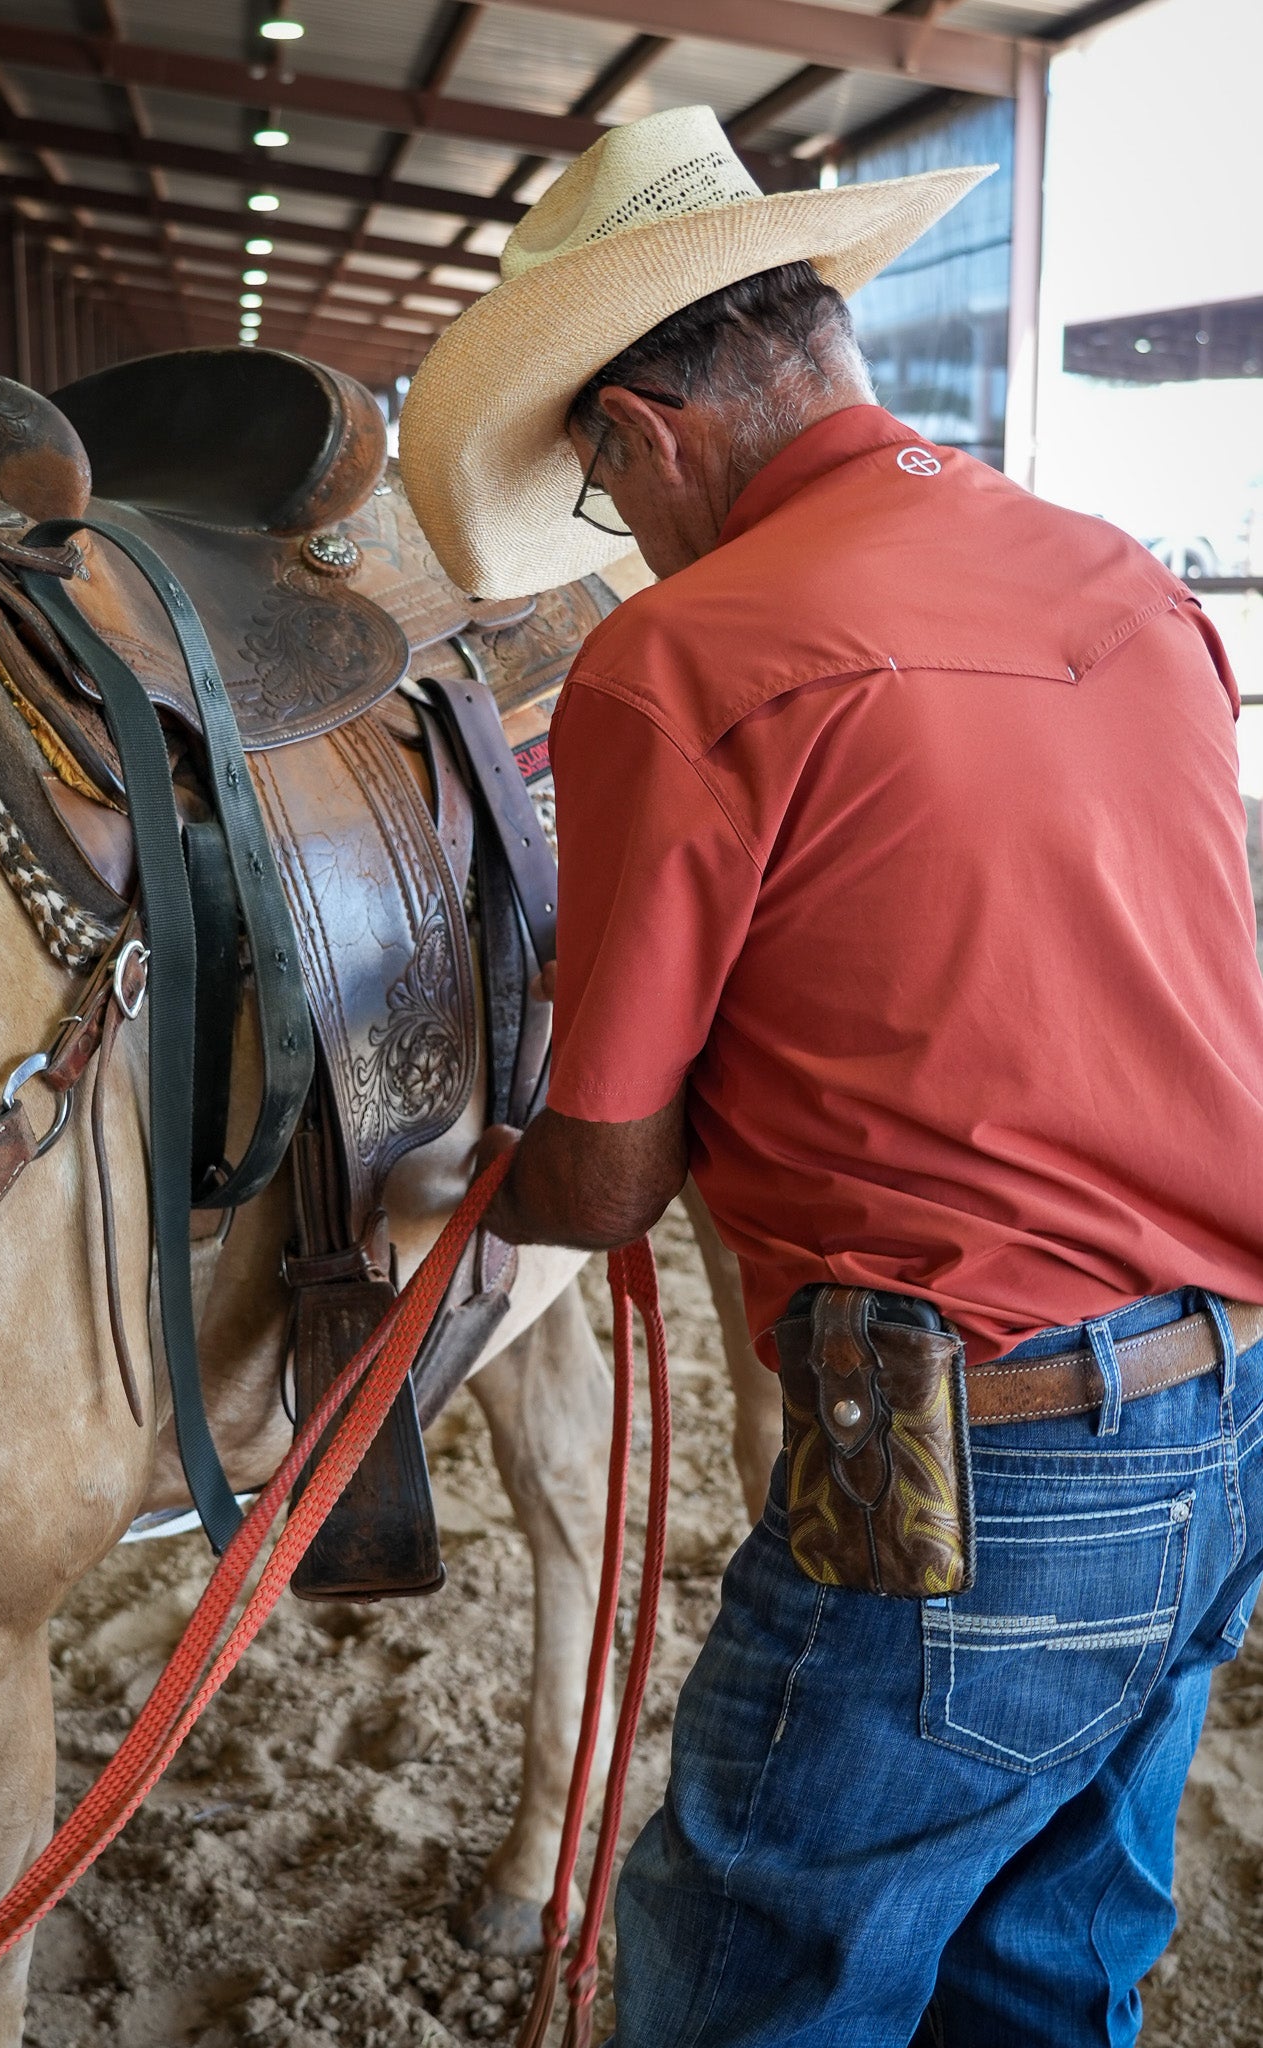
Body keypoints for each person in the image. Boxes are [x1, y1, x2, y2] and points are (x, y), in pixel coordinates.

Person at [399, 104, 1263, 2047]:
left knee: (748, 1988)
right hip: (1224, 1420)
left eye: (603, 489)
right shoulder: (1129, 587)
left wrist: (464, 1175)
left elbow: (608, 1179)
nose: (624, 528)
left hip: (973, 1474)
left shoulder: (682, 658)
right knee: (1046, 1983)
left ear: (644, 434)